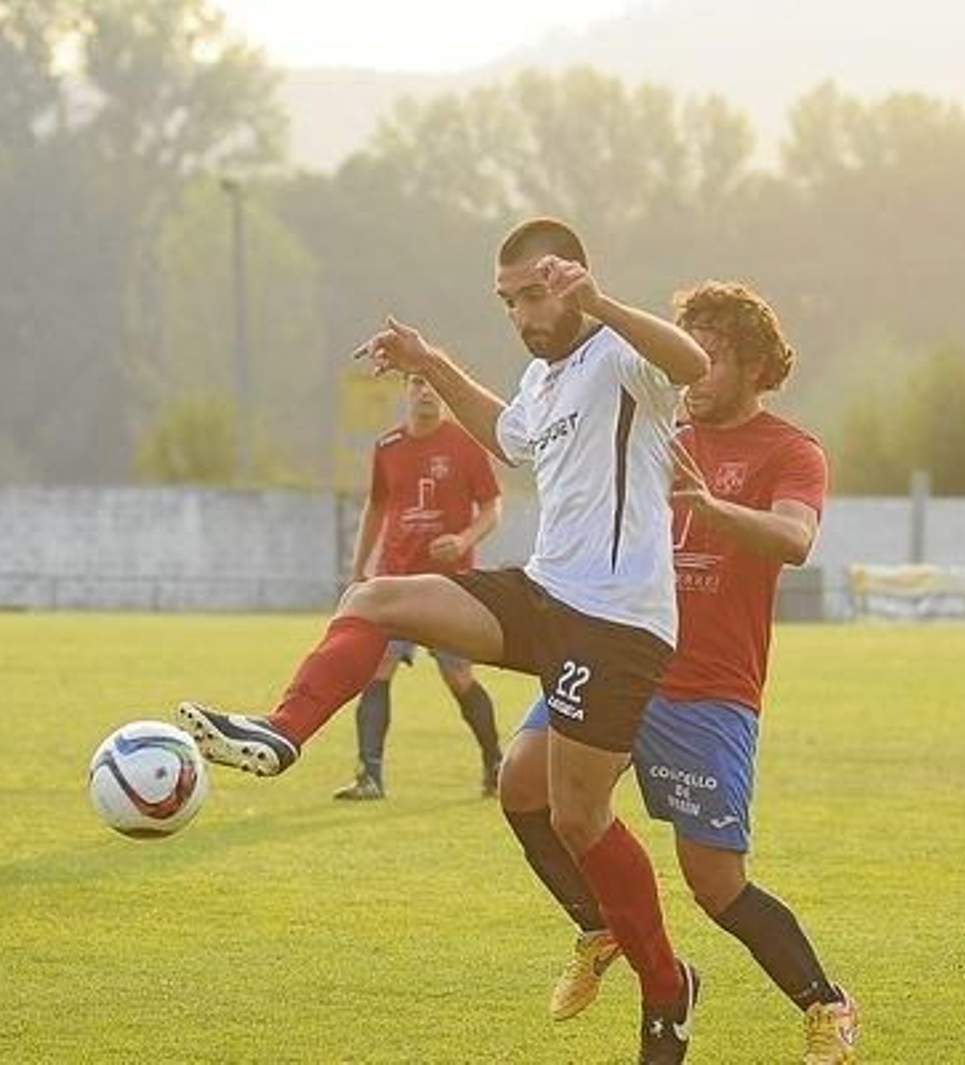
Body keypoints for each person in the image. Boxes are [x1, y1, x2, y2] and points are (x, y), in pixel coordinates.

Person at [177, 217, 711, 1064]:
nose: (521, 315)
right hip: (546, 592)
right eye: (507, 302)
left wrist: (602, 302)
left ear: (568, 277)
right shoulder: (545, 376)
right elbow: (508, 438)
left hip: (617, 620)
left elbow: (693, 364)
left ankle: (667, 989)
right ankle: (283, 733)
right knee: (377, 595)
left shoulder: (619, 352)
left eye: (531, 295)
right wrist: (429, 361)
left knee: (578, 814)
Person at [498, 281, 861, 1064]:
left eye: (712, 356)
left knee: (716, 882)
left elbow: (795, 540)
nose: (691, 372)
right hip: (618, 654)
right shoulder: (653, 419)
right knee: (523, 782)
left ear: (756, 365)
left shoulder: (790, 451)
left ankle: (825, 1003)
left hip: (709, 686)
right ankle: (601, 928)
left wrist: (709, 505)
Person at [335, 371, 505, 801]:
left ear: (444, 393)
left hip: (450, 588)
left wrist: (465, 539)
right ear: (407, 391)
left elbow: (492, 506)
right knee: (377, 670)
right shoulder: (388, 447)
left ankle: (495, 766)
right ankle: (369, 776)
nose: (426, 391)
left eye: (433, 383)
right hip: (395, 584)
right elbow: (376, 507)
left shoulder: (464, 444)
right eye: (416, 383)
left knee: (459, 678)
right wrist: (359, 571)